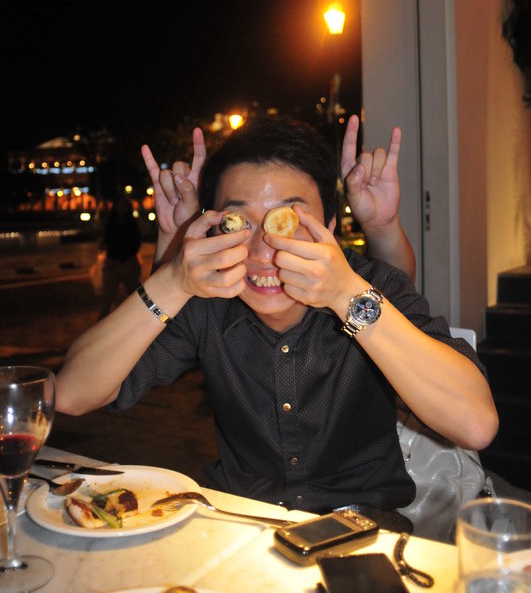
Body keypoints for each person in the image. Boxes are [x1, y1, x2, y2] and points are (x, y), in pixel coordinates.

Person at [55, 115, 498, 517]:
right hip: (243, 527)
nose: (262, 250)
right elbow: (72, 393)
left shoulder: (367, 288)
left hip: (367, 533)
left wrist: (344, 293)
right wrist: (172, 278)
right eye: (237, 222)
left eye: (286, 220)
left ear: (330, 224)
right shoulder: (208, 301)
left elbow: (476, 424)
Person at [97, 194, 142, 318]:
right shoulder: (110, 223)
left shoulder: (132, 223)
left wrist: (123, 258)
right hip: (112, 263)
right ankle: (103, 323)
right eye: (119, 205)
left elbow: (135, 244)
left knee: (133, 297)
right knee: (107, 298)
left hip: (128, 263)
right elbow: (105, 240)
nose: (121, 208)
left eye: (124, 205)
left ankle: (136, 320)